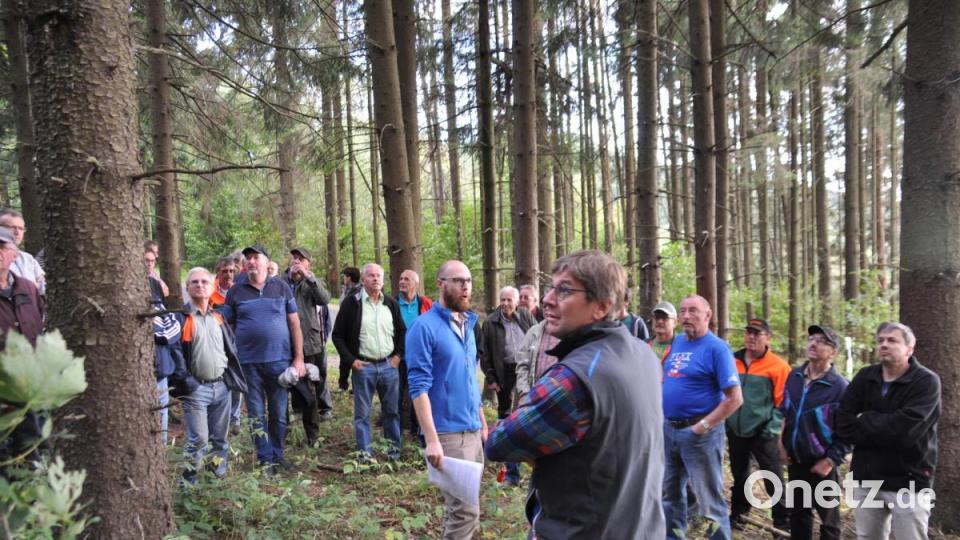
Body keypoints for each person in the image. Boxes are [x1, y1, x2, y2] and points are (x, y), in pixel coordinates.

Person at [486, 250, 665, 539]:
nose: (547, 299)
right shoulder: (643, 355)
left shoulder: (576, 377)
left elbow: (499, 443)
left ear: (601, 306)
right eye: (551, 288)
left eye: (565, 290)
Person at [405, 260, 487, 539]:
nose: (466, 286)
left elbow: (469, 379)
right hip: (447, 434)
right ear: (440, 284)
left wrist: (483, 422)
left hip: (473, 430)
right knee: (463, 512)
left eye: (469, 280)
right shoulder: (423, 327)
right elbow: (418, 386)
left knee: (470, 508)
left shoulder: (468, 324)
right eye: (458, 280)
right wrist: (431, 439)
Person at [837, 322, 940, 540]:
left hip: (909, 480)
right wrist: (884, 426)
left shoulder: (926, 382)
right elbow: (842, 423)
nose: (884, 344)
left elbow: (906, 432)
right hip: (867, 477)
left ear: (909, 348)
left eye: (892, 340)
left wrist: (864, 419)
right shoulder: (865, 377)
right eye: (880, 340)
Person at [662, 294, 743, 540]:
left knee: (710, 501)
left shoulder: (717, 348)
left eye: (693, 311)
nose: (686, 316)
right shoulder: (676, 343)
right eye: (683, 311)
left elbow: (735, 398)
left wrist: (703, 426)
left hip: (701, 434)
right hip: (670, 430)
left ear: (707, 315)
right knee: (671, 496)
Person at [222, 244, 305, 473]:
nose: (251, 261)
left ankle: (278, 455)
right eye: (248, 258)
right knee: (256, 414)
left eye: (256, 257)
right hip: (248, 364)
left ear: (267, 263)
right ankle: (264, 459)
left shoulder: (282, 288)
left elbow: (295, 324)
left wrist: (298, 359)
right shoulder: (236, 291)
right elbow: (224, 324)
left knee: (279, 413)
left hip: (279, 362)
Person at [169, 267, 247, 485]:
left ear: (212, 286)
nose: (200, 285)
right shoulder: (181, 319)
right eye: (195, 282)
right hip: (196, 390)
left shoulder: (218, 316)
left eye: (204, 281)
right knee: (199, 439)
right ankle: (188, 484)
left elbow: (230, 348)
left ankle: (216, 478)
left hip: (222, 387)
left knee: (219, 439)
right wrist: (188, 385)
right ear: (187, 288)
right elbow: (176, 355)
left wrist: (231, 378)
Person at [779, 324, 850, 540]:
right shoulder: (795, 376)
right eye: (811, 339)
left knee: (829, 522)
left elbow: (848, 432)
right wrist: (780, 445)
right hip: (796, 460)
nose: (813, 343)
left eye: (822, 341)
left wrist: (830, 460)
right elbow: (784, 412)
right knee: (799, 515)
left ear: (833, 352)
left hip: (823, 464)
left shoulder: (840, 387)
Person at [331, 263, 405, 460]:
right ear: (363, 280)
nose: (375, 279)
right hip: (363, 367)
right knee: (362, 415)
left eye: (379, 276)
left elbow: (402, 332)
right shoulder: (352, 303)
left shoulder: (390, 303)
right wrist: (351, 360)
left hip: (389, 366)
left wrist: (398, 356)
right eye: (371, 275)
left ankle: (393, 454)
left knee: (392, 412)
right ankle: (364, 456)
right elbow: (337, 335)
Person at [725, 318, 791, 531]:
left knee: (773, 478)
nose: (751, 337)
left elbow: (784, 404)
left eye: (757, 333)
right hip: (736, 430)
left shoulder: (778, 366)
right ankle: (738, 516)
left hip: (764, 432)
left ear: (767, 338)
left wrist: (771, 428)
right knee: (740, 475)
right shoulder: (731, 360)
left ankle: (783, 524)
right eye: (749, 332)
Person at [0, 228, 45, 462]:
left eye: (2, 248)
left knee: (30, 446)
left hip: (29, 385)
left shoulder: (27, 288)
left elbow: (41, 321)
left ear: (14, 256)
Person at [286, 247, 333, 445]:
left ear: (308, 264)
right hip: (284, 345)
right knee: (286, 388)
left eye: (301, 259)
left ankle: (312, 435)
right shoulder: (282, 282)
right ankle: (285, 432)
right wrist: (288, 279)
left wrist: (308, 277)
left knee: (309, 391)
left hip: (309, 345)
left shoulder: (311, 283)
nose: (296, 262)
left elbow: (324, 299)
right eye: (294, 258)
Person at [147, 251, 180, 446]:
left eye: (152, 260)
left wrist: (156, 336)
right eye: (145, 260)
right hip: (137, 375)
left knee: (161, 426)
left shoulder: (154, 285)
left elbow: (173, 326)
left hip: (161, 370)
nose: (149, 264)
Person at [396, 269, 433, 435]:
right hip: (397, 358)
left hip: (419, 358)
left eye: (407, 279)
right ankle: (396, 432)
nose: (402, 281)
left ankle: (417, 431)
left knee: (418, 393)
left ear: (416, 285)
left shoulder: (426, 304)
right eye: (401, 278)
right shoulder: (391, 303)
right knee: (396, 395)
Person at [0, 209, 44, 295]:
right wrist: (32, 286)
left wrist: (35, 286)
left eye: (21, 228)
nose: (17, 232)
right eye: (11, 227)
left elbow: (44, 284)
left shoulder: (28, 258)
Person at [337, 266, 363, 391]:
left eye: (345, 276)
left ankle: (355, 385)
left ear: (349, 277)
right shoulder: (345, 290)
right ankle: (343, 384)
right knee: (344, 357)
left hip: (354, 328)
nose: (343, 278)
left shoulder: (359, 291)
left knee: (355, 356)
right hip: (344, 326)